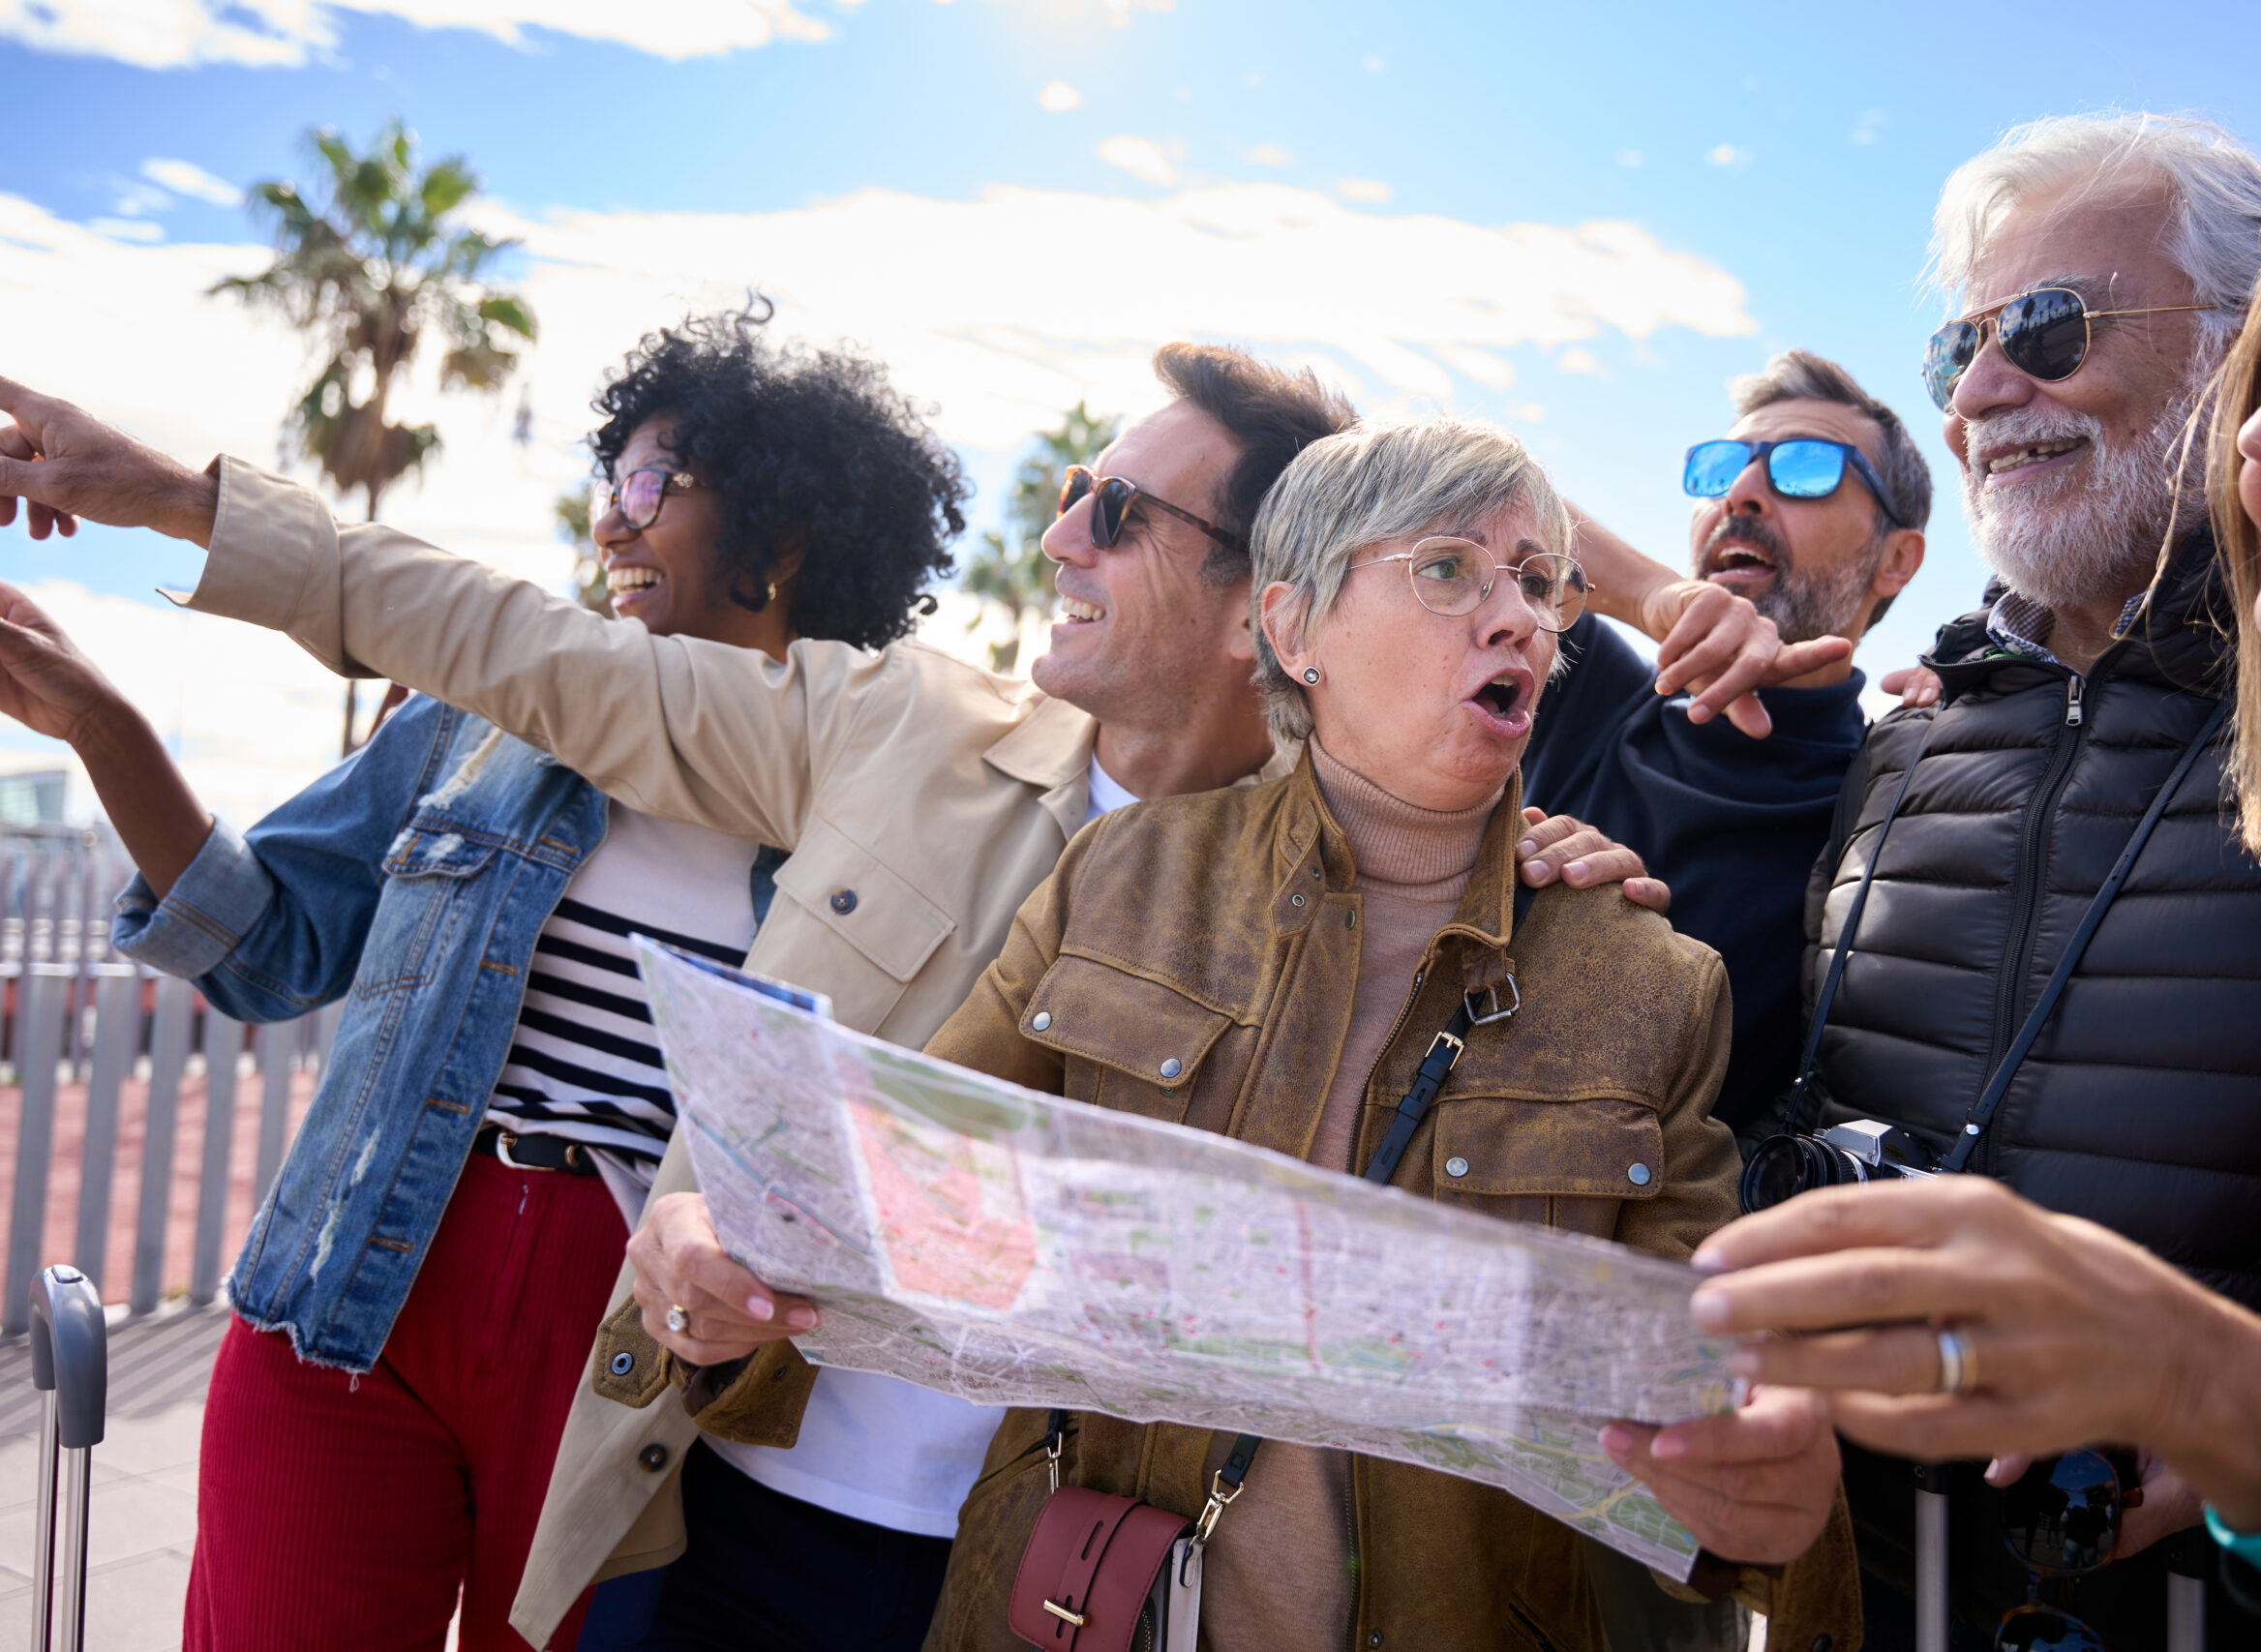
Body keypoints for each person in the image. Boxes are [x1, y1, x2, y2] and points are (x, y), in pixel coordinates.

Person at [0, 345, 1714, 1648]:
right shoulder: (900, 725)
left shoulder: (1381, 874)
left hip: (1033, 1570)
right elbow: (523, 647)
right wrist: (183, 501)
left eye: (1117, 510)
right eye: (1069, 489)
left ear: (1263, 598)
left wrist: (1549, 815)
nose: (1060, 533)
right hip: (716, 1508)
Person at [656, 414, 1865, 1652]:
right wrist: (720, 1249)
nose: (1520, 618)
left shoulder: (1651, 981)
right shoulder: (1116, 875)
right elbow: (890, 1185)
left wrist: (1764, 1503)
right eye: (1448, 568)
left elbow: (1708, 1429)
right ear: (1292, 631)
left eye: (1541, 585)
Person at [0, 308, 966, 1651]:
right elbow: (267, 948)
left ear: (789, 533)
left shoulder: (879, 808)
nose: (612, 526)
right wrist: (96, 721)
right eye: (607, 487)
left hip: (628, 1367)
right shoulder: (477, 721)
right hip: (355, 1297)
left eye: (650, 485)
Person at [1772, 112, 2261, 1649]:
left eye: (2050, 330)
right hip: (1861, 1585)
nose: (1987, 395)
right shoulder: (1900, 743)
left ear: (2240, 349)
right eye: (1959, 355)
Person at [1525, 347, 1931, 1140]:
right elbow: (1458, 494)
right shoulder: (1588, 692)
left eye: (1807, 469)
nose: (1742, 492)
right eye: (1721, 469)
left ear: (1897, 560)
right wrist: (1649, 593)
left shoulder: (1896, 799)